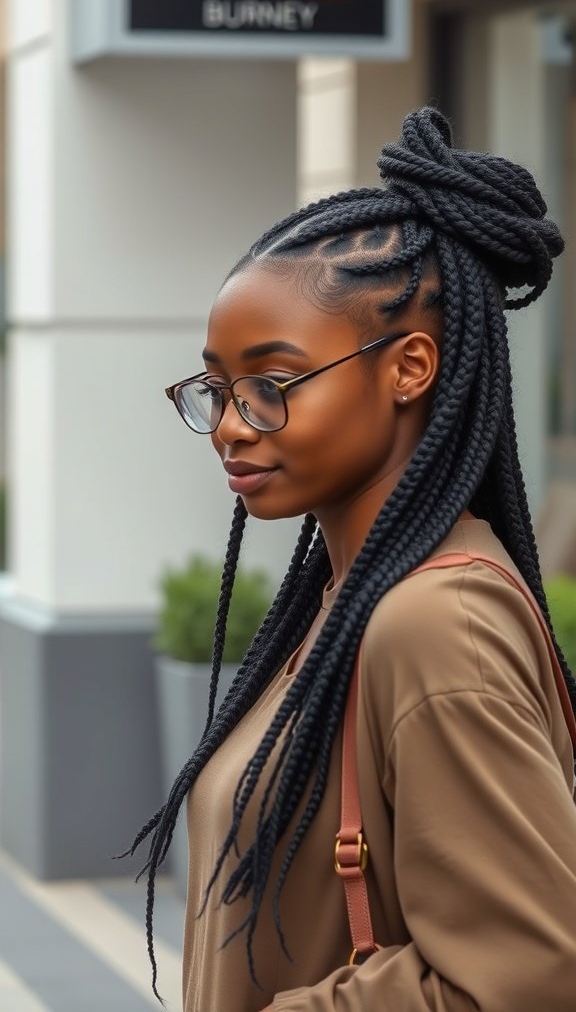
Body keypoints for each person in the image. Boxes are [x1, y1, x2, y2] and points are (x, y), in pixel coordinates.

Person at [129, 107, 576, 1011]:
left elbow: (528, 973)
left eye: (270, 385)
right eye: (216, 388)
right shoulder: (352, 599)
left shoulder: (436, 622)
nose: (227, 425)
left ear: (409, 368)